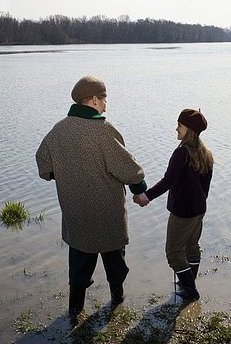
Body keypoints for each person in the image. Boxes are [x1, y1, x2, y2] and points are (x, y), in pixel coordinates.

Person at [35, 75, 147, 317]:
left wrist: (61, 174)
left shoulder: (59, 129)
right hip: (107, 212)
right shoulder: (103, 130)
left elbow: (43, 162)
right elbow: (130, 170)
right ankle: (117, 301)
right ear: (94, 100)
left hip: (76, 212)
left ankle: (75, 310)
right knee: (114, 261)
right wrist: (140, 189)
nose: (106, 104)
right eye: (104, 99)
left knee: (79, 263)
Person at [134, 109, 213, 300]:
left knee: (173, 252)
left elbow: (168, 180)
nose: (176, 129)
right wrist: (199, 204)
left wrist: (146, 196)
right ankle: (188, 283)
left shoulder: (181, 154)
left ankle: (190, 290)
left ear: (189, 130)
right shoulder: (206, 153)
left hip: (182, 212)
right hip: (199, 210)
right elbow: (206, 186)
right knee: (192, 246)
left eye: (179, 125)